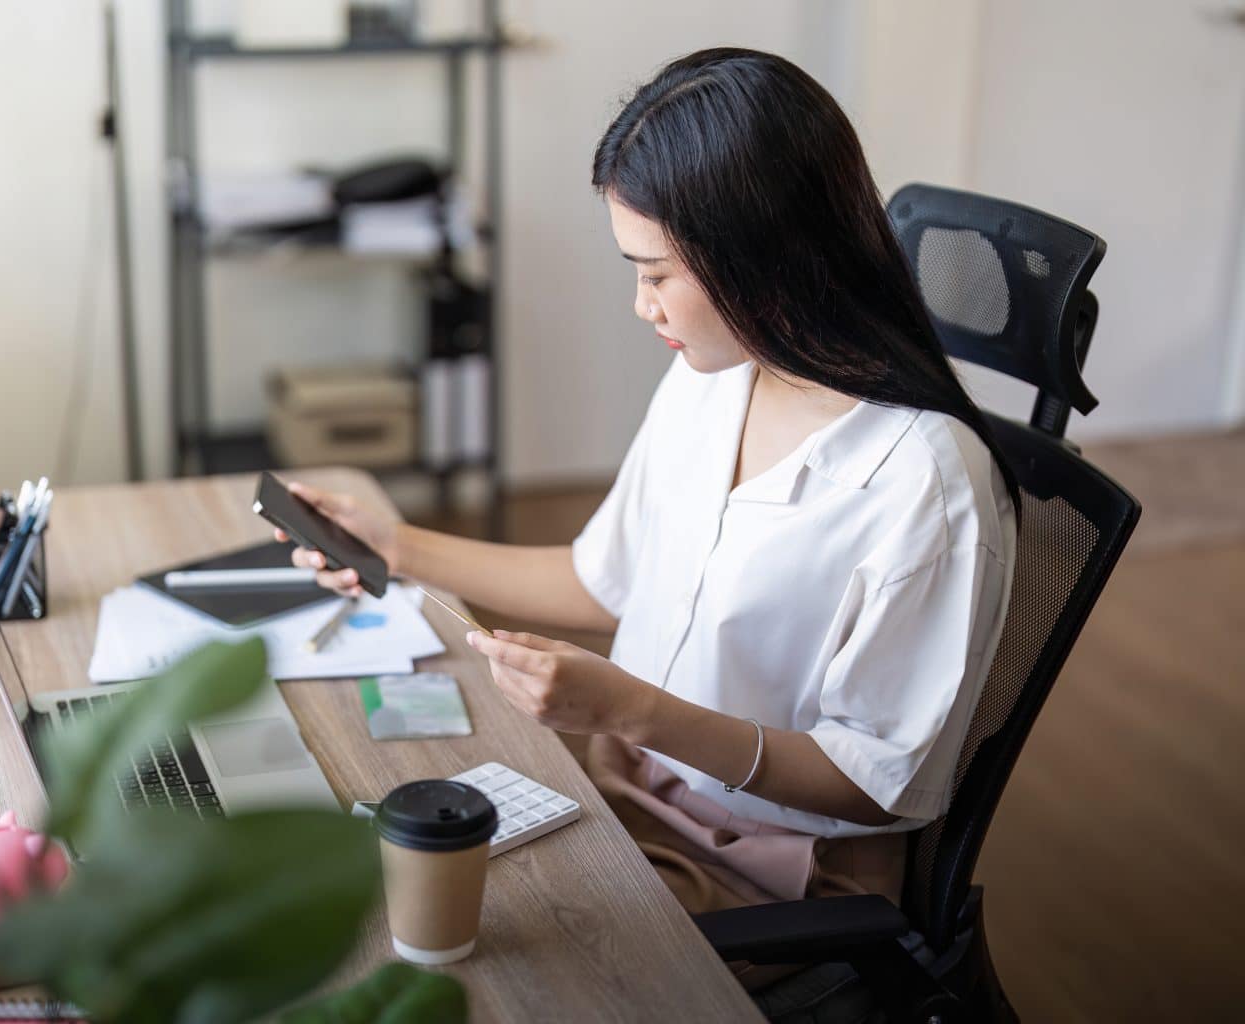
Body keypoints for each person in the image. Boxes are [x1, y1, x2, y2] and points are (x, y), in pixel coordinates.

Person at [274, 47, 1016, 979]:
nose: (640, 305)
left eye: (657, 274)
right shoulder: (714, 377)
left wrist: (635, 710)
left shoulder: (924, 484)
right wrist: (397, 543)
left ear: (766, 257)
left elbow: (877, 784)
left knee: (445, 959)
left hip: (772, 868)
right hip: (626, 776)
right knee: (362, 877)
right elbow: (601, 579)